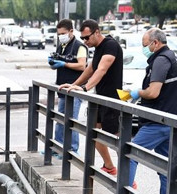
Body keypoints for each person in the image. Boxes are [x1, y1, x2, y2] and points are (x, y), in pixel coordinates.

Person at [126, 28, 177, 194]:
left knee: (130, 153)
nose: (144, 50)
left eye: (145, 46)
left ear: (155, 43)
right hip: (174, 120)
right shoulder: (175, 58)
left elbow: (153, 92)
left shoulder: (161, 60)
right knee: (165, 166)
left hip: (160, 121)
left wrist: (134, 93)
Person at [59, 19, 123, 175]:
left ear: (97, 32)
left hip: (111, 99)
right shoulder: (98, 48)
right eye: (83, 38)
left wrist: (84, 88)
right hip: (99, 98)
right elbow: (91, 69)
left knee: (115, 139)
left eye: (87, 37)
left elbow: (101, 70)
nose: (85, 41)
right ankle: (109, 166)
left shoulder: (110, 45)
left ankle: (127, 176)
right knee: (92, 132)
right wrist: (74, 84)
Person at [49, 18, 88, 157]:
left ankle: (72, 150)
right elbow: (60, 61)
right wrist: (53, 63)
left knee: (71, 120)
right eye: (58, 34)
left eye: (63, 33)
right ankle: (57, 147)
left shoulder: (79, 46)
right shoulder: (61, 46)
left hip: (74, 88)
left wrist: (64, 64)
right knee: (60, 119)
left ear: (71, 31)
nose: (61, 36)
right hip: (62, 88)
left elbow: (82, 66)